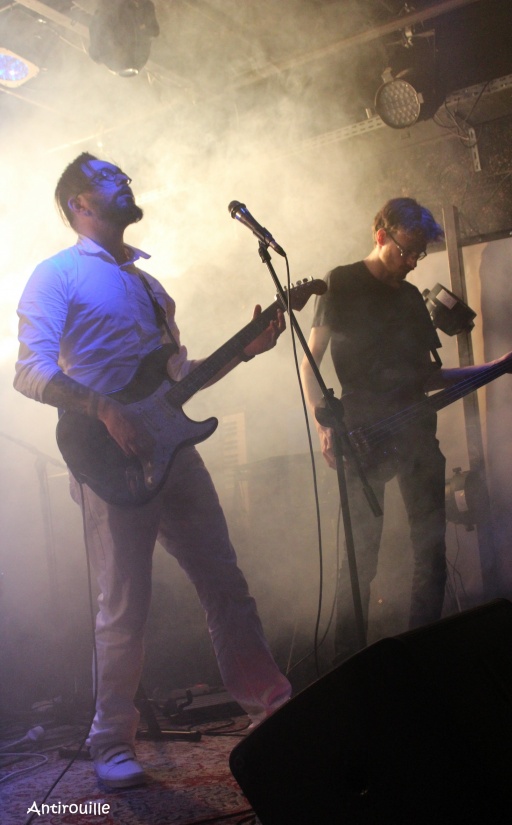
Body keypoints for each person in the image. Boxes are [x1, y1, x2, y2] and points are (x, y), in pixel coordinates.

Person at [14, 153, 291, 788]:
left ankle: (271, 705)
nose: (126, 182)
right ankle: (110, 739)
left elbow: (175, 381)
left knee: (225, 582)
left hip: (175, 451)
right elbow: (28, 370)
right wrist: (105, 410)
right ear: (79, 202)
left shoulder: (148, 284)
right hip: (108, 456)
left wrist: (244, 351)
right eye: (110, 178)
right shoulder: (56, 274)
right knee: (125, 603)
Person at [300, 197, 512, 663]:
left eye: (419, 254)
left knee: (431, 552)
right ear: (380, 234)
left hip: (417, 435)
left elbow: (430, 377)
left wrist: (496, 366)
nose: (412, 262)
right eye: (406, 250)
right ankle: (350, 666)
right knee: (359, 561)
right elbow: (311, 361)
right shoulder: (341, 282)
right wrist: (324, 424)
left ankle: (419, 659)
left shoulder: (409, 299)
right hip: (361, 434)